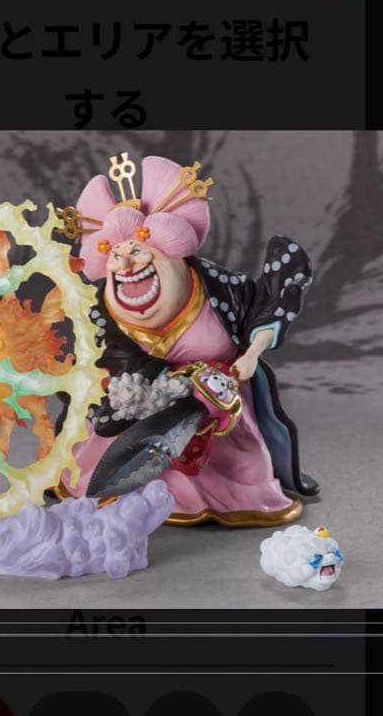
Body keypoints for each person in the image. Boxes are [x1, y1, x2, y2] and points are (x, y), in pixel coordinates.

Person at [59, 153, 318, 526]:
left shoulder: (218, 288)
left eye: (136, 250)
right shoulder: (102, 309)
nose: (126, 266)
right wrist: (146, 384)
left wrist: (250, 354)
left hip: (218, 408)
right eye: (115, 255)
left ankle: (222, 494)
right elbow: (101, 357)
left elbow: (265, 306)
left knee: (240, 464)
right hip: (138, 410)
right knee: (105, 449)